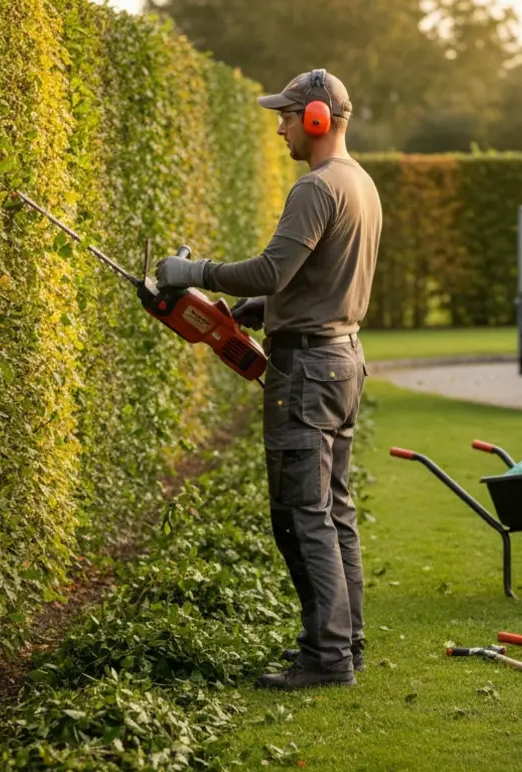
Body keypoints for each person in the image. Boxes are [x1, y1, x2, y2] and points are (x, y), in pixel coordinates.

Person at [153, 69, 382, 690]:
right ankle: (346, 645)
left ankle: (325, 659)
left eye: (286, 116)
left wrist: (189, 269)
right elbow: (316, 282)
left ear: (315, 118)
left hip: (306, 370)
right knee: (333, 511)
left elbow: (272, 270)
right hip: (343, 359)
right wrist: (253, 316)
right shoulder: (361, 183)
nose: (279, 127)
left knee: (301, 515)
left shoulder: (316, 187)